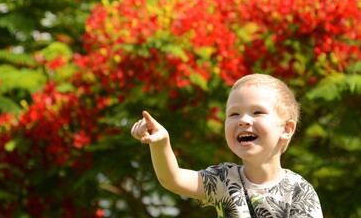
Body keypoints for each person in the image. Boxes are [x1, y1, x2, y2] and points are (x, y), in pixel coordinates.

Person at [131, 73, 323, 218]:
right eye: (234, 114)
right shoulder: (224, 180)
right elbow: (173, 179)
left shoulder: (299, 191)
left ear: (286, 129)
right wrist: (161, 143)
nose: (243, 120)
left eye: (257, 112)